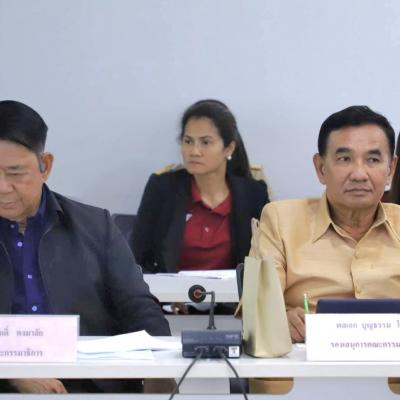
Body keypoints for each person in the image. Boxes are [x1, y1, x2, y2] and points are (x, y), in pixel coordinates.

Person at [0, 100, 171, 394]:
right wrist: (12, 375)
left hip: (89, 386)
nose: (3, 187)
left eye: (15, 173)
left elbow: (138, 306)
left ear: (45, 166)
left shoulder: (96, 226)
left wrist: (161, 369)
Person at [250, 105, 399, 344]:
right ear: (321, 168)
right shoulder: (280, 220)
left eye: (372, 159)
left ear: (390, 169)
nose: (359, 174)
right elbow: (257, 309)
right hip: (304, 359)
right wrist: (280, 320)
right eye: (344, 159)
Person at [133, 99, 270, 277]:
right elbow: (137, 259)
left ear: (228, 148)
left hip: (235, 294)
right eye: (188, 141)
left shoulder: (253, 194)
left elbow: (266, 262)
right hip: (170, 293)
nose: (194, 151)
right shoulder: (162, 188)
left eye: (205, 142)